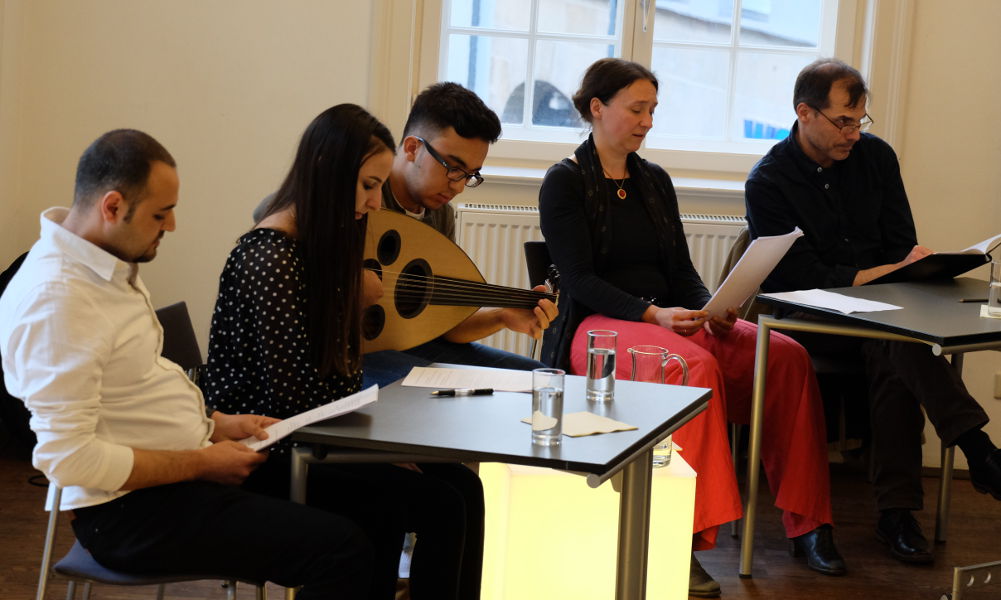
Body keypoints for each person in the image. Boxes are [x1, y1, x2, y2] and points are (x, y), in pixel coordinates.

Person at [0, 129, 372, 599]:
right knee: (342, 549)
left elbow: (131, 390)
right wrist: (200, 463)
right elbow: (70, 460)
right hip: (130, 515)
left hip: (180, 473)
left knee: (374, 504)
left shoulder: (102, 263)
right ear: (112, 207)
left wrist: (215, 425)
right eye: (161, 213)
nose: (172, 225)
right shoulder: (58, 300)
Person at [538, 58, 843, 597]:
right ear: (597, 108)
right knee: (694, 365)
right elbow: (580, 281)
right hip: (598, 327)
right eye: (637, 109)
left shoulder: (654, 180)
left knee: (784, 355)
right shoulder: (564, 181)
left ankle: (808, 522)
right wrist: (653, 314)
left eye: (652, 110)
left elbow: (680, 269)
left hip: (665, 317)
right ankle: (682, 539)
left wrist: (709, 308)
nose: (647, 121)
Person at [203, 104, 483, 600]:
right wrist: (372, 452)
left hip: (307, 436)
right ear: (325, 173)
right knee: (433, 504)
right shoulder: (270, 256)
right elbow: (294, 401)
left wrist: (377, 448)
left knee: (462, 488)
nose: (375, 202)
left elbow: (337, 381)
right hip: (265, 452)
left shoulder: (320, 248)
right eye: (368, 185)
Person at [744, 57, 1001, 565]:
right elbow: (800, 278)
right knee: (897, 338)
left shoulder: (876, 158)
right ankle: (968, 459)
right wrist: (881, 273)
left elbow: (900, 243)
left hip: (882, 314)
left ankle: (905, 508)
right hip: (806, 318)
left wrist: (914, 265)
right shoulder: (769, 181)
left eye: (860, 120)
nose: (854, 134)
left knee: (893, 346)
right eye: (843, 121)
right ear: (804, 113)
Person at [362, 82, 557, 387]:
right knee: (428, 388)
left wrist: (502, 316)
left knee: (537, 378)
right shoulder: (366, 192)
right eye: (452, 167)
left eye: (470, 175)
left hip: (417, 346)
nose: (458, 186)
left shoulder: (440, 214)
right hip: (360, 350)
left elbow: (443, 325)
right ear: (412, 148)